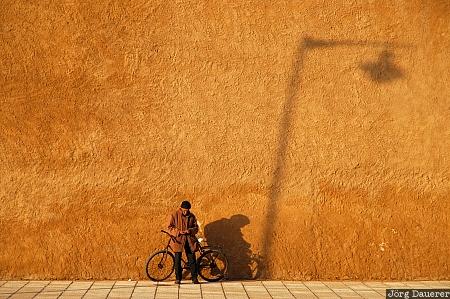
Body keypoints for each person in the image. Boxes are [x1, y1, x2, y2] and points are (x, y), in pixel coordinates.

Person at [167, 200, 200, 284]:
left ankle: (194, 278)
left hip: (189, 240)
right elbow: (169, 227)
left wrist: (189, 231)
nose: (185, 212)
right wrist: (178, 232)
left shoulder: (192, 216)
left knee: (192, 259)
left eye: (187, 210)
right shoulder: (174, 215)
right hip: (178, 240)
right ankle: (178, 278)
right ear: (181, 208)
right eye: (184, 210)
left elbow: (196, 228)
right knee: (177, 259)